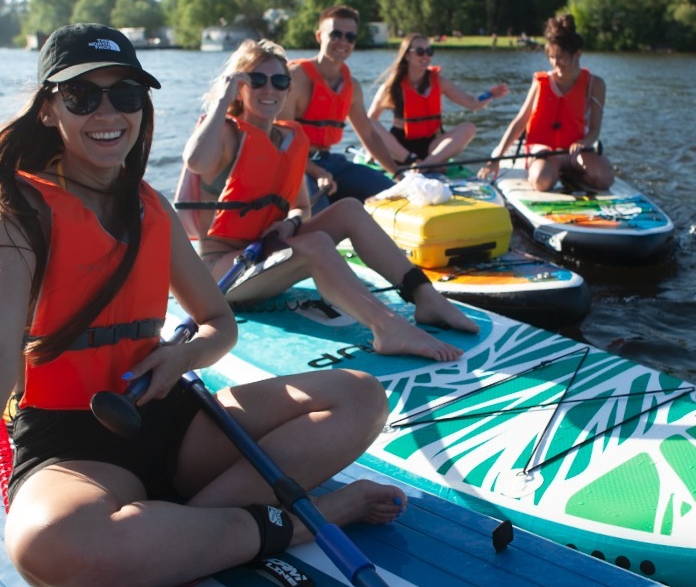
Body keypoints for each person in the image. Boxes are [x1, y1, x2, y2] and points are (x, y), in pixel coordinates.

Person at [0, 24, 404, 587]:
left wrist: (181, 358)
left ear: (142, 106)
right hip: (73, 446)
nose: (108, 112)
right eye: (82, 97)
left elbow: (217, 324)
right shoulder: (18, 210)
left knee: (360, 397)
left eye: (126, 94)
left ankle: (175, 543)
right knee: (45, 549)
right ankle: (300, 520)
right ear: (50, 110)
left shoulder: (151, 206)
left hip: (169, 419)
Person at [178, 39, 479, 363]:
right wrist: (222, 100)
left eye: (279, 81)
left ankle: (425, 297)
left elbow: (302, 208)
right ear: (240, 87)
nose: (270, 89)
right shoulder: (224, 133)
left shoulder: (290, 138)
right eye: (256, 80)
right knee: (318, 243)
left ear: (288, 87)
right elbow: (195, 160)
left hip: (267, 256)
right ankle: (387, 327)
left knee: (349, 208)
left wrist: (290, 222)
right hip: (224, 274)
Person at [479, 15, 615, 192]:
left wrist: (584, 142)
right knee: (541, 181)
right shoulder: (540, 82)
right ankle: (551, 172)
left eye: (561, 57)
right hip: (545, 150)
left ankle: (571, 174)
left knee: (605, 178)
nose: (556, 63)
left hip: (575, 152)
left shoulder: (595, 85)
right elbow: (520, 123)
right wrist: (495, 158)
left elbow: (595, 129)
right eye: (551, 57)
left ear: (578, 52)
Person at [282, 5, 398, 210]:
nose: (343, 42)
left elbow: (369, 135)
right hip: (294, 165)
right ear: (319, 36)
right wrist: (317, 172)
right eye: (335, 34)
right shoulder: (296, 78)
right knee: (318, 209)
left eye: (350, 37)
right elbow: (280, 142)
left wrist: (399, 176)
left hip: (330, 162)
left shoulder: (352, 86)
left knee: (392, 194)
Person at [367, 33, 508, 170]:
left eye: (429, 51)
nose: (425, 56)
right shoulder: (392, 86)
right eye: (420, 51)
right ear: (407, 55)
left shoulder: (439, 82)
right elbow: (370, 121)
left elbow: (471, 103)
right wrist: (371, 150)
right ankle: (415, 162)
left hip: (431, 148)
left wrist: (490, 94)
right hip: (400, 148)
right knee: (368, 121)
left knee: (469, 128)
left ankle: (424, 166)